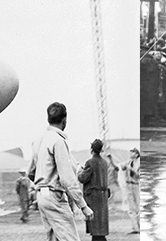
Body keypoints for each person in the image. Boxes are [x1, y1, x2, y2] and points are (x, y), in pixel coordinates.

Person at [29, 102, 94, 241]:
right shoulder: (58, 141)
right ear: (64, 119)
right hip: (54, 196)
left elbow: (30, 172)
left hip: (41, 196)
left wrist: (43, 182)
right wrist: (83, 206)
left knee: (54, 238)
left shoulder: (38, 141)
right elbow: (67, 179)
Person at [78, 139, 112, 241]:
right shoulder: (104, 162)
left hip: (93, 197)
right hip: (103, 196)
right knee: (100, 226)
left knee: (95, 227)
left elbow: (82, 178)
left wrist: (79, 171)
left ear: (91, 149)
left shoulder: (90, 162)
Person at [121, 148, 140, 235]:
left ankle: (140, 226)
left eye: (132, 152)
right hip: (128, 185)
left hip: (135, 184)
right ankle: (135, 227)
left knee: (138, 205)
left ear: (136, 154)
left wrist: (131, 169)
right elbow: (122, 168)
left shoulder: (139, 163)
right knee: (131, 207)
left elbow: (138, 175)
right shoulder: (128, 162)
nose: (130, 153)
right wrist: (124, 167)